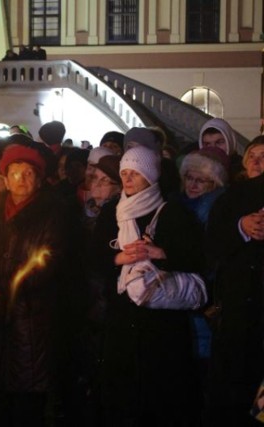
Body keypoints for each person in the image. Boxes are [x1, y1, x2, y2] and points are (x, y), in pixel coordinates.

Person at [0, 136, 81, 426]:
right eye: (15, 172)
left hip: (31, 320)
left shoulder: (53, 211)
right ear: (5, 177)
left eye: (29, 173)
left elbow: (47, 260)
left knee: (26, 402)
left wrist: (4, 286)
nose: (21, 179)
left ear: (39, 179)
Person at [91, 146, 205, 426]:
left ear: (150, 176)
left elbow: (197, 257)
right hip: (123, 319)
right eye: (125, 173)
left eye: (136, 174)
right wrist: (119, 257)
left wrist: (161, 254)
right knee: (123, 395)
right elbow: (92, 258)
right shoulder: (112, 213)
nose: (128, 180)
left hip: (163, 322)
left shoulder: (174, 212)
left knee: (161, 396)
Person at [206, 153, 264, 426]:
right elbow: (213, 241)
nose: (256, 161)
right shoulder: (231, 197)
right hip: (238, 308)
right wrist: (241, 226)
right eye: (252, 155)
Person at [198, 118, 243, 182]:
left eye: (219, 142)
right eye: (207, 144)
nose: (213, 148)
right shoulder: (196, 169)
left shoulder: (242, 170)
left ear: (230, 142)